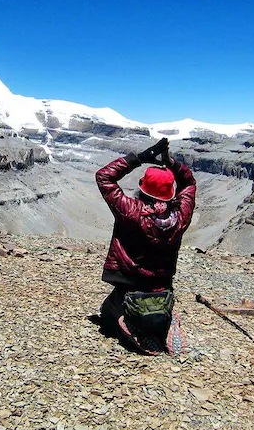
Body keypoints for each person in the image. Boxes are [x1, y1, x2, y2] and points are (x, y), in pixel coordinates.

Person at [95, 138, 197, 355]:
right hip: (163, 286)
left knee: (107, 314)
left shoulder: (131, 211)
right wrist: (171, 164)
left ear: (143, 189)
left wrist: (139, 158)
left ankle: (136, 329)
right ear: (171, 193)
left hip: (130, 284)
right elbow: (188, 184)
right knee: (156, 303)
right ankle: (165, 322)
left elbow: (104, 177)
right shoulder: (180, 217)